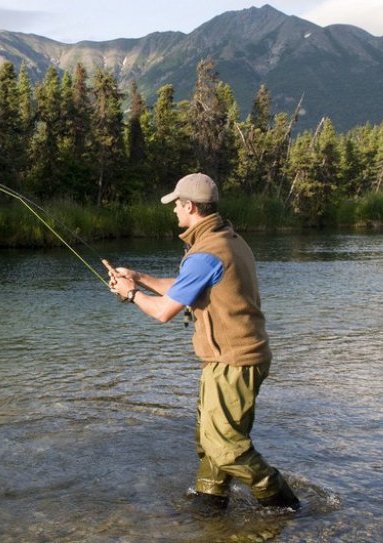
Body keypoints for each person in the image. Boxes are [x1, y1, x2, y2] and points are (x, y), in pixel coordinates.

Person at [103, 172, 300, 515]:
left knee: (224, 445)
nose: (173, 211)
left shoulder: (207, 253)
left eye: (177, 204)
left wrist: (131, 293)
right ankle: (210, 503)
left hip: (234, 360)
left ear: (191, 206)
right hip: (229, 358)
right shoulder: (225, 239)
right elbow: (184, 287)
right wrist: (139, 277)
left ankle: (283, 503)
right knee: (208, 438)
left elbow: (165, 311)